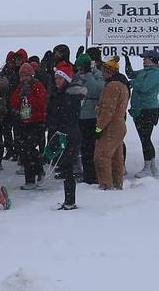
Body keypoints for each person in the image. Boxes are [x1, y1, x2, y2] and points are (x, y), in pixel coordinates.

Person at [47, 62, 86, 209]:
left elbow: (66, 117)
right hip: (63, 133)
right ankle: (68, 200)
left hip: (69, 135)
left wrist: (61, 133)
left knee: (68, 168)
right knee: (65, 168)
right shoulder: (60, 94)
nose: (57, 81)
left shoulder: (69, 96)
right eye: (56, 78)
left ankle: (70, 201)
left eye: (59, 78)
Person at [125, 50, 159, 177]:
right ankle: (152, 166)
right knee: (145, 138)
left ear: (152, 59)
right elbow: (131, 74)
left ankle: (148, 167)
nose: (143, 60)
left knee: (145, 139)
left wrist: (130, 83)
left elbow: (143, 87)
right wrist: (127, 61)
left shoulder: (156, 73)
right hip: (140, 109)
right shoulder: (145, 71)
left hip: (148, 110)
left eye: (145, 58)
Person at [10, 63, 48, 189]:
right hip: (23, 122)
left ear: (32, 75)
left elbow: (41, 103)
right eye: (22, 76)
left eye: (26, 75)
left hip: (36, 122)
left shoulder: (38, 86)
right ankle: (30, 179)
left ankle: (38, 171)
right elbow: (13, 102)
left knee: (30, 149)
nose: (24, 78)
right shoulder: (19, 88)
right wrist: (20, 97)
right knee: (24, 151)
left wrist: (29, 97)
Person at [94, 58, 130, 190]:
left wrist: (99, 127)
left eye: (104, 71)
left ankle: (106, 185)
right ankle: (117, 182)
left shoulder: (112, 86)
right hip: (120, 124)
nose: (102, 74)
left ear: (109, 72)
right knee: (116, 156)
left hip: (111, 126)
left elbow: (107, 110)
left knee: (102, 156)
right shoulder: (123, 84)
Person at [75, 52, 104, 184]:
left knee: (91, 148)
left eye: (81, 67)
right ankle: (87, 173)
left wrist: (88, 75)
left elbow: (96, 89)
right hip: (80, 115)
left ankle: (93, 175)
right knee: (84, 148)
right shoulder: (77, 75)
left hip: (92, 116)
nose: (79, 70)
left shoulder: (97, 74)